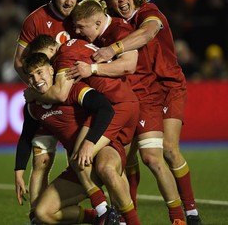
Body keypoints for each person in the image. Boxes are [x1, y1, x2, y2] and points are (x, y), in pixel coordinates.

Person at [90, 0, 202, 225]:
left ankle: (191, 214)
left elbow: (148, 33)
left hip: (169, 87)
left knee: (168, 150)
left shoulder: (148, 12)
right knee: (129, 158)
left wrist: (112, 49)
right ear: (107, 2)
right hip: (142, 93)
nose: (122, 0)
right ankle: (129, 215)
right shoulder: (114, 25)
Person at [64, 0, 186, 225]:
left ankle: (179, 218)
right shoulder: (97, 35)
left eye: (81, 26)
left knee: (153, 160)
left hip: (140, 100)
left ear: (98, 21)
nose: (77, 31)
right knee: (119, 165)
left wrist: (92, 68)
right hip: (118, 104)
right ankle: (121, 218)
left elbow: (128, 64)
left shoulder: (120, 30)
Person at [20, 51, 140, 225]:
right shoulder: (34, 107)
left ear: (52, 70)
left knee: (106, 168)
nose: (36, 79)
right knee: (42, 213)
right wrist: (19, 171)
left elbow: (105, 109)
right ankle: (99, 217)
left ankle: (121, 219)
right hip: (80, 168)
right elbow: (27, 137)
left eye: (40, 72)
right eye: (30, 76)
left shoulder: (72, 89)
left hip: (100, 149)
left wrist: (89, 143)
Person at [13, 0, 79, 222]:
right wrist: (38, 88)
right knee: (42, 161)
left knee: (79, 159)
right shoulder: (35, 20)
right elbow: (19, 62)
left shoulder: (81, 16)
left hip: (74, 99)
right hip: (47, 100)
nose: (69, 2)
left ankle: (108, 210)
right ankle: (36, 218)